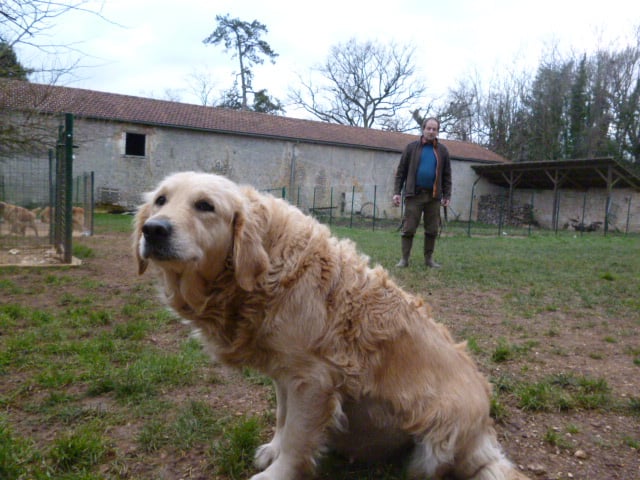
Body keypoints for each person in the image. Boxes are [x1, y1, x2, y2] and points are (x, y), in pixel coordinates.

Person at [393, 117, 451, 268]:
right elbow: (401, 172)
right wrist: (397, 192)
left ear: (438, 131)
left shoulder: (443, 151)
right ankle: (404, 259)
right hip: (414, 195)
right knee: (409, 228)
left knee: (432, 229)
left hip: (434, 197)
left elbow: (447, 175)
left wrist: (447, 195)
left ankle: (429, 260)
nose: (431, 132)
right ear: (423, 129)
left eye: (434, 129)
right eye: (429, 128)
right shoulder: (411, 148)